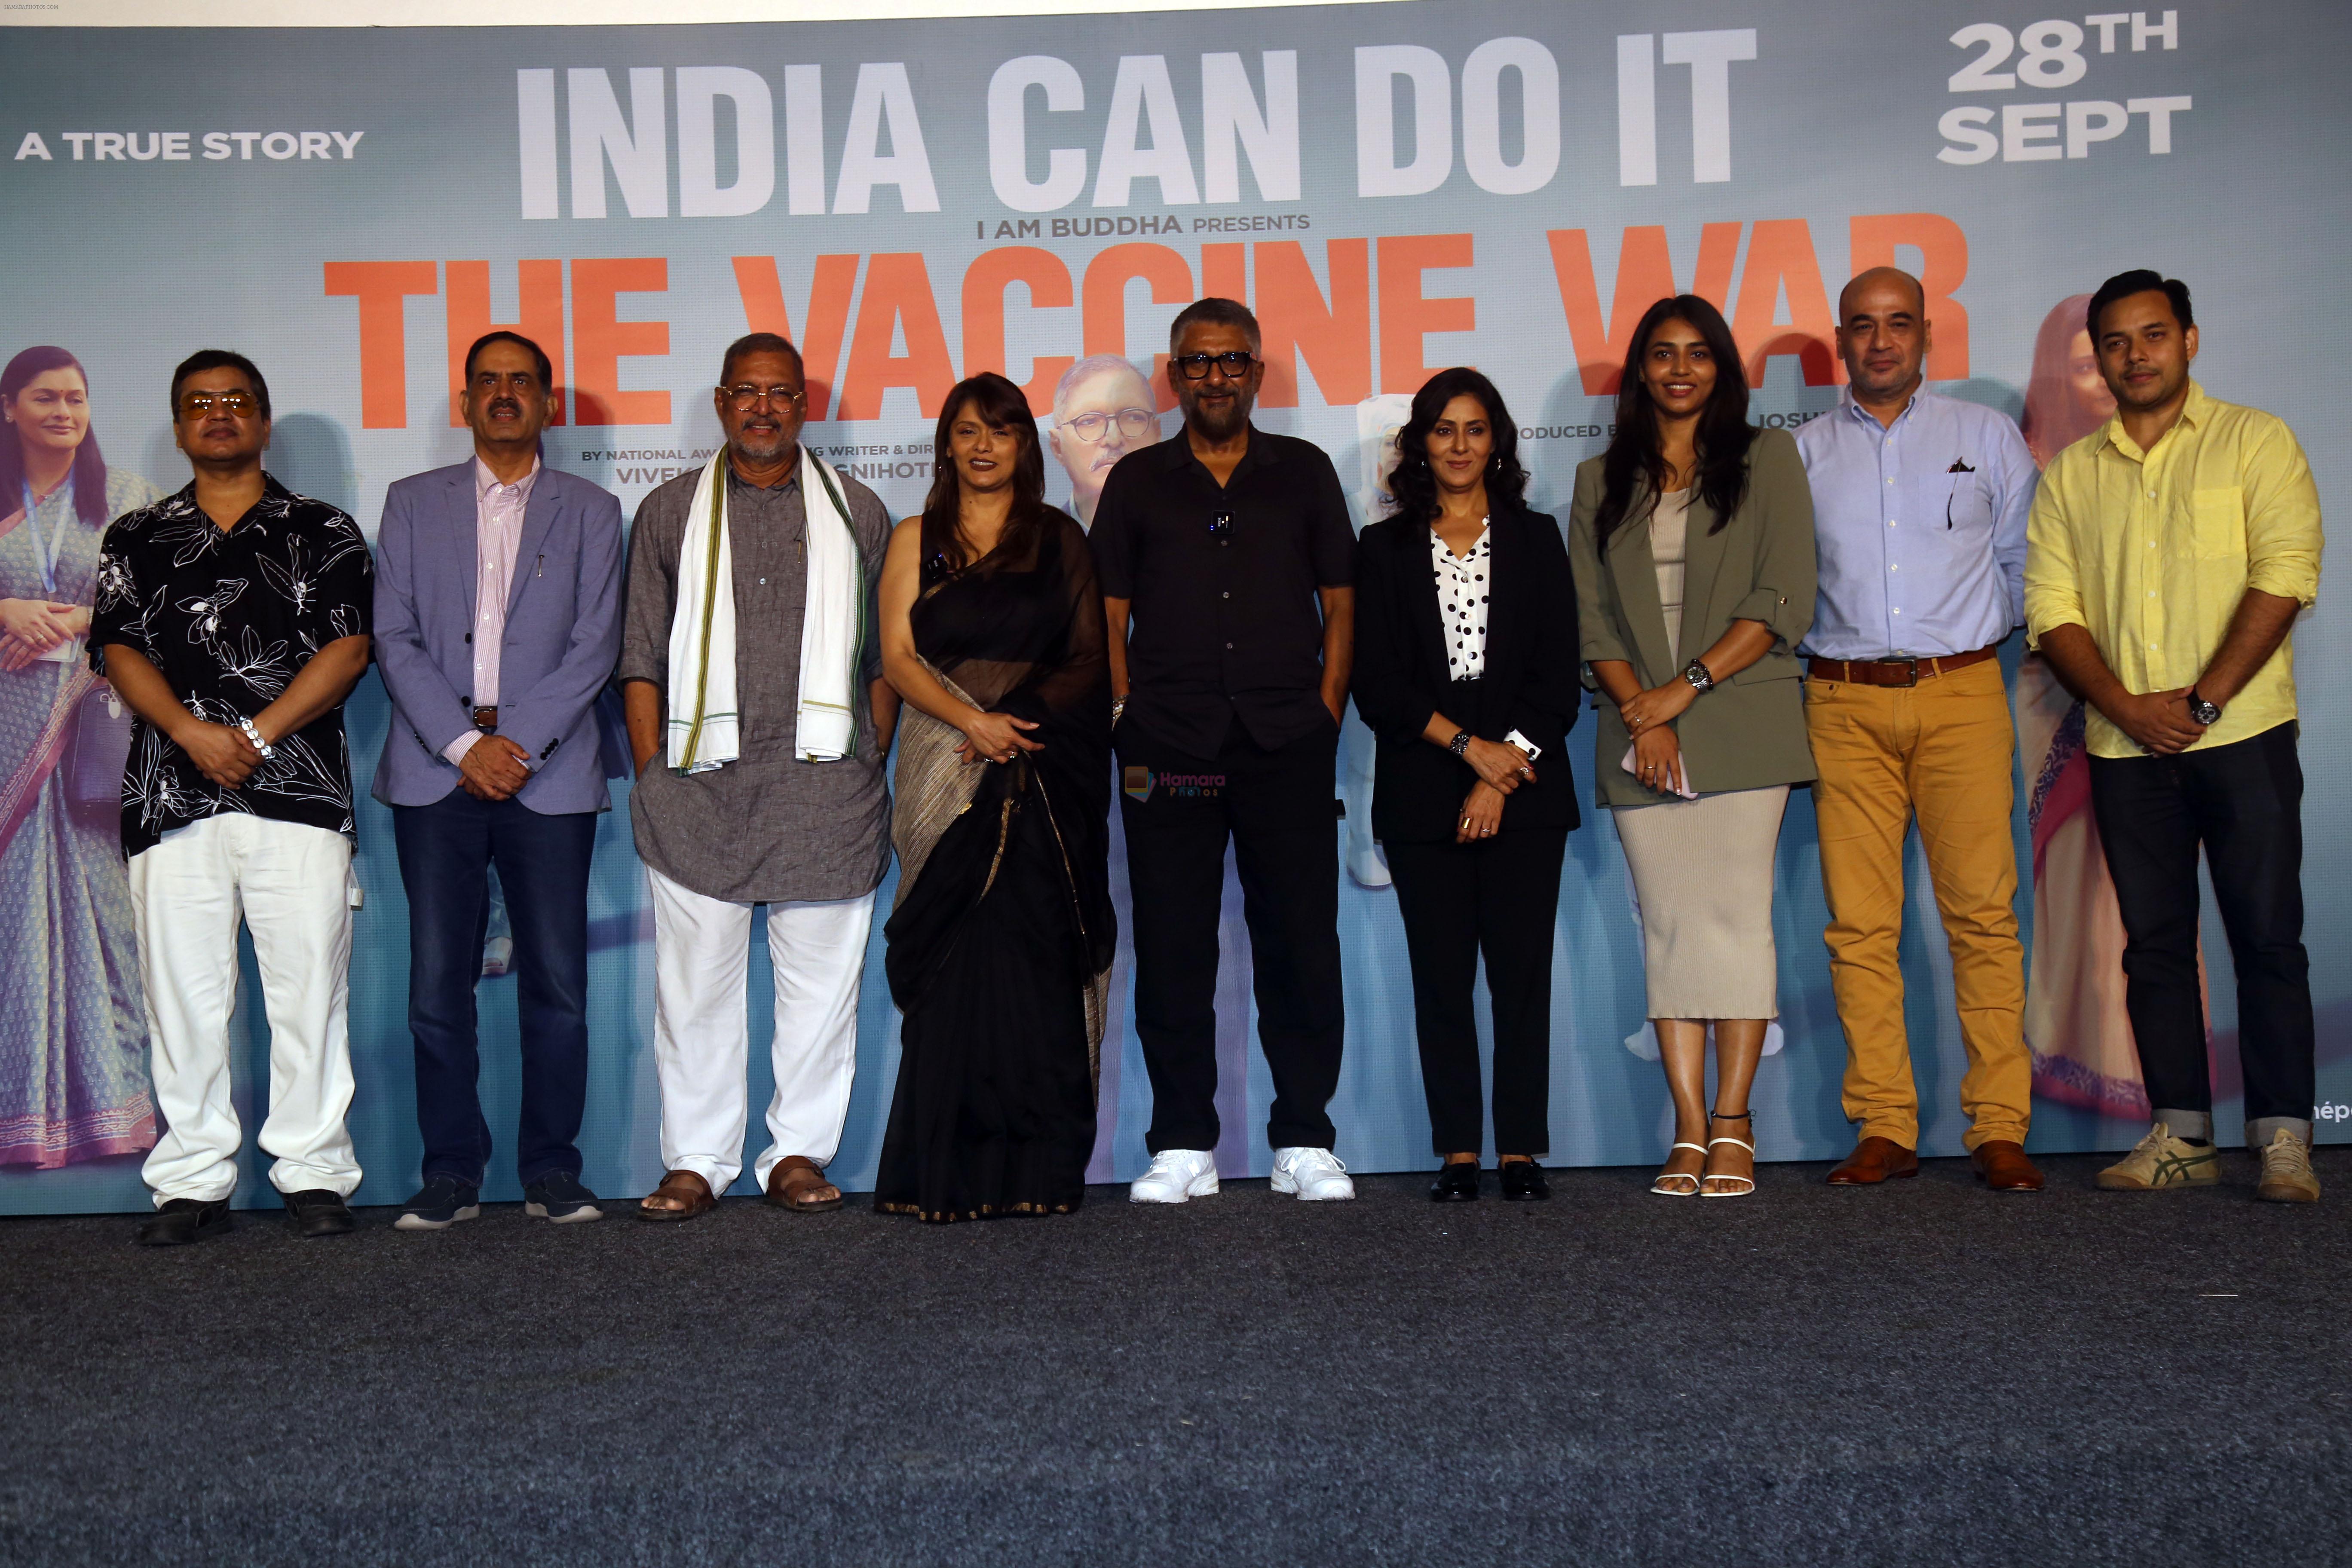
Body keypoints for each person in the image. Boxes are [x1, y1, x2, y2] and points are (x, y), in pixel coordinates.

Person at [2025, 270, 2326, 1202]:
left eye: (2152, 336)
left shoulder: (2256, 441)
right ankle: (2183, 1135)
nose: (2134, 356)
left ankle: (2283, 1140)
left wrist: (2199, 704)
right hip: (2125, 751)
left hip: (2242, 738)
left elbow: (2285, 574)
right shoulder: (2074, 474)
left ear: (2189, 340)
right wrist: (2125, 706)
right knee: (2155, 944)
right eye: (2115, 342)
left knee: (2268, 940)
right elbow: (2051, 610)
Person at [92, 350, 374, 1245]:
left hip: (299, 794)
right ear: (180, 426)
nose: (219, 415)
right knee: (183, 996)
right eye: (199, 404)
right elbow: (119, 649)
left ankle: (314, 1171)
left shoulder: (324, 528)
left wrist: (252, 738)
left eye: (236, 401)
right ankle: (192, 1181)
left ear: (262, 418)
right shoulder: (135, 536)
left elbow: (348, 652)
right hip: (171, 796)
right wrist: (191, 733)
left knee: (307, 997)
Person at [618, 332, 896, 1222]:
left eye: (781, 394)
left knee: (821, 995)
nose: (764, 408)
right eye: (747, 392)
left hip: (825, 793)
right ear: (721, 403)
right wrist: (653, 772)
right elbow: (640, 659)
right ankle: (697, 1159)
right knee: (695, 988)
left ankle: (798, 1155)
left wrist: (869, 755)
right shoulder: (668, 512)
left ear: (803, 408)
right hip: (700, 793)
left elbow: (885, 661)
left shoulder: (859, 510)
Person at [1090, 297, 1358, 1204]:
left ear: (1257, 372)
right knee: (1171, 945)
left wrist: (1326, 708)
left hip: (1287, 743)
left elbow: (1343, 600)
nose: (1215, 377)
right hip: (1169, 748)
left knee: (1301, 945)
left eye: (1232, 361)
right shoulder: (1137, 484)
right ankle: (1181, 1143)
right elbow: (1109, 612)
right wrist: (1126, 713)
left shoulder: (1306, 472)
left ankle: (1305, 1139)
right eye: (1197, 364)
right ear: (1174, 378)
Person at [1795, 269, 2043, 1193]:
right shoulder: (1804, 454)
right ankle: (1886, 1123)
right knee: (1860, 926)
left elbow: (2026, 566)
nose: (1882, 342)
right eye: (1864, 327)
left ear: (1926, 334)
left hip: (1962, 693)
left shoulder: (1984, 436)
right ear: (1841, 341)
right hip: (1843, 701)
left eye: (1899, 324)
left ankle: (1999, 1127)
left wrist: (1965, 642)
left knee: (1982, 917)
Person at [371, 331, 625, 1230]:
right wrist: (458, 743)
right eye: (490, 382)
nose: (505, 394)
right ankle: (452, 1174)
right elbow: (392, 638)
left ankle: (553, 1170)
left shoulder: (593, 510)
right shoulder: (409, 505)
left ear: (548, 403)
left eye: (523, 382)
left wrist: (515, 743)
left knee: (557, 985)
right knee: (437, 988)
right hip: (437, 773)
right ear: (466, 403)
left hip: (547, 776)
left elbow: (596, 646)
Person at [1566, 296, 1816, 1200]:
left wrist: (1685, 691)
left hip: (1743, 723)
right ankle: (1686, 1127)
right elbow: (1590, 615)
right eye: (1663, 354)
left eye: (1699, 354)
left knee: (1737, 924)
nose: (1681, 369)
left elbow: (1784, 595)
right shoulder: (1601, 480)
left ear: (1722, 369)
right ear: (1640, 370)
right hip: (1639, 732)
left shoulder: (1767, 459)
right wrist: (1647, 710)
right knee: (1669, 930)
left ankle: (1737, 1123)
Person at [872, 372, 1114, 1221]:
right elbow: (898, 659)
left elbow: (1090, 660)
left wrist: (1015, 724)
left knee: (1035, 964)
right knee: (952, 968)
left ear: (1023, 448)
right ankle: (937, 1177)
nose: (983, 446)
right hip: (945, 764)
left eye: (1002, 432)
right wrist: (974, 724)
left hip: (1042, 772)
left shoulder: (1059, 540)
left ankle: (1037, 1178)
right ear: (947, 444)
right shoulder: (915, 538)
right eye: (969, 431)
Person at [1352, 368, 1579, 1202]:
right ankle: (1457, 1150)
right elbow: (1377, 686)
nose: (1459, 446)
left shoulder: (1537, 539)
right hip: (1421, 795)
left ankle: (1520, 1148)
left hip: (1525, 796)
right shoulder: (1382, 550)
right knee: (1440, 980)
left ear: (1498, 441)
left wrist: (1501, 769)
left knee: (1521, 977)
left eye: (1475, 429)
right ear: (1419, 443)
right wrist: (1467, 752)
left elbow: (1558, 683)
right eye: (1443, 430)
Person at [0, 346, 160, 1170]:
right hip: (6, 747)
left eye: (76, 397)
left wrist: (65, 621)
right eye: (45, 397)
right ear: (9, 408)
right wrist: (7, 605)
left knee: (108, 925)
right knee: (12, 924)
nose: (64, 411)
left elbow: (158, 599)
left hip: (93, 745)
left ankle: (111, 1111)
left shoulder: (127, 496)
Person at [2013, 294, 2146, 1119]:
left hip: (2153, 694)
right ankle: (2070, 1050)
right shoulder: (2027, 460)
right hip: (2053, 684)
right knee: (2077, 873)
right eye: (2086, 360)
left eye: (2111, 356)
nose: (2102, 376)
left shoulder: (2143, 457)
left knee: (2140, 878)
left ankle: (2140, 1062)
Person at [1047, 355, 1159, 527]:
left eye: (1133, 418)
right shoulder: (1039, 545)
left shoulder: (1189, 532)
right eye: (1089, 421)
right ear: (1057, 446)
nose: (1114, 440)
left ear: (1158, 434)